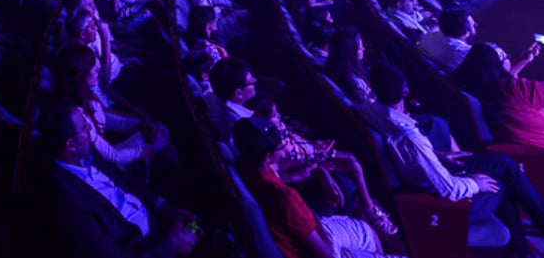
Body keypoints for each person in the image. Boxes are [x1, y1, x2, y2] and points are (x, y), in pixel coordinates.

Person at [363, 62, 544, 258]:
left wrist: (439, 155)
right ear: (405, 91)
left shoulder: (370, 110)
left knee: (504, 166)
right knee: (503, 180)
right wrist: (476, 184)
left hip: (431, 166)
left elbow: (415, 156)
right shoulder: (411, 137)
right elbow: (449, 190)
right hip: (435, 194)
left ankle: (536, 245)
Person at [33, 99, 200, 258]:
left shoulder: (84, 154)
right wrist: (171, 243)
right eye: (85, 128)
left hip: (155, 220)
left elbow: (126, 181)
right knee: (204, 245)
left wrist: (164, 208)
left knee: (196, 219)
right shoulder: (67, 205)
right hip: (150, 246)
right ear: (70, 145)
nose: (91, 132)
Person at [231, 116, 401, 258]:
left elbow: (279, 167)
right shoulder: (286, 198)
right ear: (268, 156)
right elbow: (325, 255)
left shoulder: (245, 164)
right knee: (369, 233)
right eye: (280, 148)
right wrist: (317, 221)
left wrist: (317, 169)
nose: (284, 151)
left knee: (366, 231)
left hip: (302, 230)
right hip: (318, 244)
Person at [454, 39, 544, 211]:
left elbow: (499, 81)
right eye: (505, 56)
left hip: (529, 150)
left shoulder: (477, 85)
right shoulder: (516, 89)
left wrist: (524, 60)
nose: (508, 58)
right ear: (497, 65)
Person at [417, 8, 475, 72]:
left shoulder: (428, 36)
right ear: (466, 32)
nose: (475, 26)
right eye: (473, 25)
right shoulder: (465, 52)